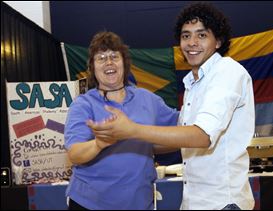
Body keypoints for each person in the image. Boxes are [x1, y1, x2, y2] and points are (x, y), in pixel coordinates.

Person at [88, 2, 255, 210]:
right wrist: (121, 140)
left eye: (201, 35)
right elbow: (182, 140)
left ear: (218, 41)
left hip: (222, 203)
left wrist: (133, 130)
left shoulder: (227, 72)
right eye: (186, 36)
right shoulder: (194, 83)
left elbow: (201, 136)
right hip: (195, 201)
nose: (192, 42)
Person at [64, 31, 178, 210]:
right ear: (92, 68)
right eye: (101, 58)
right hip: (90, 203)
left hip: (139, 202)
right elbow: (75, 154)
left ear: (124, 63)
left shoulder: (148, 99)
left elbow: (181, 131)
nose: (108, 62)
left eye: (114, 56)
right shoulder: (83, 104)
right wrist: (99, 144)